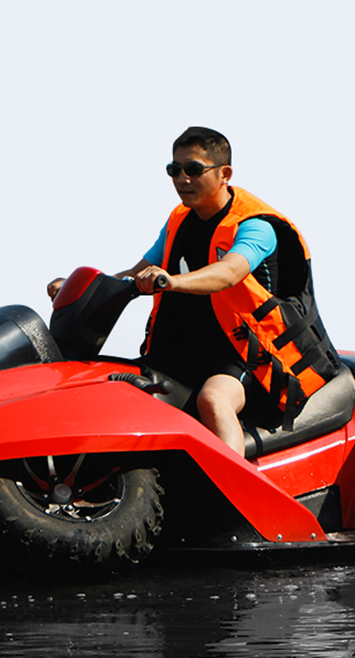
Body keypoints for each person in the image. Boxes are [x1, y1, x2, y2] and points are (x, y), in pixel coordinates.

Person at [49, 127, 339, 456]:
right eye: (174, 169)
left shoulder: (256, 225)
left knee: (213, 400)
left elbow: (228, 273)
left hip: (246, 357)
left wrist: (173, 281)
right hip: (186, 350)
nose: (181, 178)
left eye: (193, 169)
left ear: (224, 174)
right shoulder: (179, 220)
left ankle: (230, 485)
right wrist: (78, 287)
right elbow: (135, 274)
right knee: (109, 383)